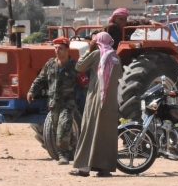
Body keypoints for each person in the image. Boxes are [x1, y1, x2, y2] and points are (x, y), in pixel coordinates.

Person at [70, 32, 121, 177]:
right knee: (106, 135)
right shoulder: (115, 57)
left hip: (95, 100)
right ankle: (104, 168)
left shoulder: (96, 54)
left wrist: (89, 50)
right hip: (110, 103)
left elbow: (79, 66)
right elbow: (120, 75)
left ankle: (84, 168)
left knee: (89, 130)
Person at [27, 37, 80, 165]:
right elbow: (40, 79)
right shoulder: (50, 64)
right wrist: (31, 91)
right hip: (54, 102)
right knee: (57, 129)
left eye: (60, 48)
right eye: (55, 48)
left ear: (67, 50)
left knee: (63, 127)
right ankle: (76, 145)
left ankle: (63, 155)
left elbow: (84, 83)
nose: (57, 51)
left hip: (68, 103)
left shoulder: (75, 66)